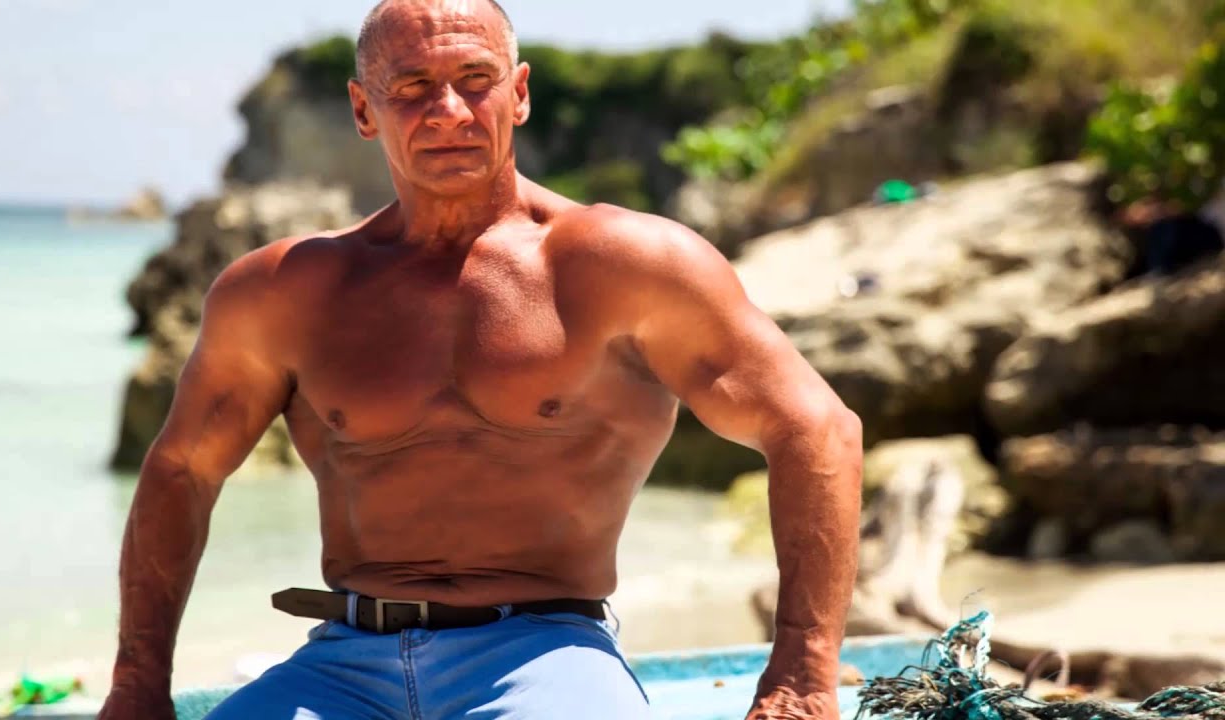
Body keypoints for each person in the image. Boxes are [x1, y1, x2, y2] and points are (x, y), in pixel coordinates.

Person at [97, 0, 863, 718]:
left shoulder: (624, 265)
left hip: (545, 654)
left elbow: (816, 429)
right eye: (412, 87)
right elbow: (182, 470)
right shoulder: (286, 291)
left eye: (475, 79)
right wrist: (138, 685)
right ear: (363, 109)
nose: (449, 111)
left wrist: (801, 675)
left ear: (518, 93)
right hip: (339, 665)